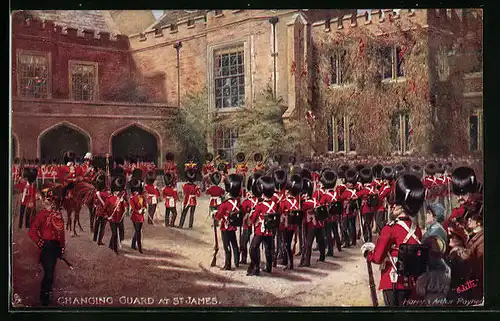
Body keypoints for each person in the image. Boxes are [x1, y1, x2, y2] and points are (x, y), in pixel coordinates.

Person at [362, 174, 426, 307]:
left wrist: (367, 254)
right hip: (411, 283)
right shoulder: (417, 229)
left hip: (393, 282)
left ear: (398, 206)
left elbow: (377, 258)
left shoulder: (390, 228)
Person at [28, 183, 66, 306]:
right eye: (48, 199)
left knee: (51, 272)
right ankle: (44, 297)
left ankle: (47, 293)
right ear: (44, 201)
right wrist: (40, 242)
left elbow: (62, 234)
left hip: (55, 247)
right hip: (46, 247)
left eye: (52, 199)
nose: (51, 202)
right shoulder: (41, 215)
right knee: (49, 273)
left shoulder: (58, 215)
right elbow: (32, 231)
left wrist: (61, 248)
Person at [248, 176, 277, 275]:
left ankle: (256, 267)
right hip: (270, 231)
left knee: (253, 248)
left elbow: (253, 219)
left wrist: (251, 214)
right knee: (268, 249)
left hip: (260, 230)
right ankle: (269, 268)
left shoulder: (260, 205)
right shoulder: (274, 204)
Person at [215, 174, 243, 270]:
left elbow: (219, 216)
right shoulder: (237, 202)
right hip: (233, 227)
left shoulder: (225, 204)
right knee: (234, 244)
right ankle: (236, 261)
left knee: (227, 246)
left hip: (225, 227)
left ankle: (227, 265)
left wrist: (215, 214)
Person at [415, 236, 451, 305]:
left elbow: (420, 290)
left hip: (428, 301)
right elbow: (447, 288)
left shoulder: (426, 269)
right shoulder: (447, 268)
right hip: (442, 300)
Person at [299, 178, 326, 267]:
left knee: (308, 243)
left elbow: (301, 214)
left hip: (310, 225)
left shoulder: (305, 204)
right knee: (320, 240)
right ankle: (322, 256)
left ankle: (307, 261)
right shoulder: (316, 201)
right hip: (319, 224)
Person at [278, 174, 303, 269]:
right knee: (288, 243)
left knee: (286, 243)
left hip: (286, 225)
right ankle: (289, 261)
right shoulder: (296, 202)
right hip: (293, 227)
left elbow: (280, 211)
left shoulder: (285, 201)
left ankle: (290, 262)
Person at [240, 172, 263, 265]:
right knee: (244, 242)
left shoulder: (260, 201)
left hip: (257, 224)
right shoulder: (248, 201)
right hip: (248, 224)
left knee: (254, 244)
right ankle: (244, 258)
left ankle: (255, 260)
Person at [319, 170, 342, 257]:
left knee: (328, 234)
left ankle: (330, 250)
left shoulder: (325, 196)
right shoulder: (336, 194)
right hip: (335, 217)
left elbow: (321, 203)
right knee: (335, 231)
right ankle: (339, 246)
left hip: (328, 217)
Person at [445, 225, 470, 302]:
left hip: (453, 291)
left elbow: (447, 273)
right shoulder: (463, 252)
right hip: (462, 290)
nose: (450, 238)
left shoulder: (455, 254)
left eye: (453, 237)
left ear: (459, 241)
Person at [106, 176, 128, 255]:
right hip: (112, 218)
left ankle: (110, 245)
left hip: (120, 217)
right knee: (114, 233)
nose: (118, 192)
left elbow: (126, 206)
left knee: (121, 231)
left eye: (119, 191)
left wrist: (123, 202)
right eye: (116, 191)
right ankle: (115, 249)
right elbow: (106, 208)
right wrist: (108, 216)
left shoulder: (122, 196)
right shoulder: (110, 198)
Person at [179, 163, 201, 229]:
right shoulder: (195, 186)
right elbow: (198, 195)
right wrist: (198, 189)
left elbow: (183, 193)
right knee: (192, 214)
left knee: (184, 213)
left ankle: (181, 225)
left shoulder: (185, 186)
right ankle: (190, 226)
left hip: (187, 200)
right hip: (193, 201)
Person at [129, 178, 147, 254]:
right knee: (138, 232)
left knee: (138, 231)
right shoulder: (132, 198)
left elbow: (145, 205)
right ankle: (139, 247)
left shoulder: (142, 197)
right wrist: (138, 211)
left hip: (141, 216)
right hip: (135, 216)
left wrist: (145, 209)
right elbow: (133, 208)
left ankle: (133, 244)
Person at [92, 174, 109, 245]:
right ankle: (99, 241)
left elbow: (95, 203)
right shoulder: (106, 194)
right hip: (104, 212)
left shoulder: (97, 193)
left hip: (98, 211)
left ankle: (94, 238)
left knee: (96, 225)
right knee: (102, 227)